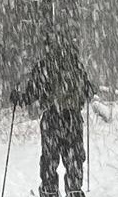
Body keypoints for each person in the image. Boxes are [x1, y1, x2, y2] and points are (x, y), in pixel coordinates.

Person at [10, 32, 95, 197]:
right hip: (73, 119)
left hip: (52, 119)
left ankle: (49, 191)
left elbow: (31, 94)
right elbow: (88, 92)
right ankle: (74, 190)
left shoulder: (45, 65)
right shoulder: (76, 65)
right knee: (74, 159)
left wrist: (18, 97)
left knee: (50, 158)